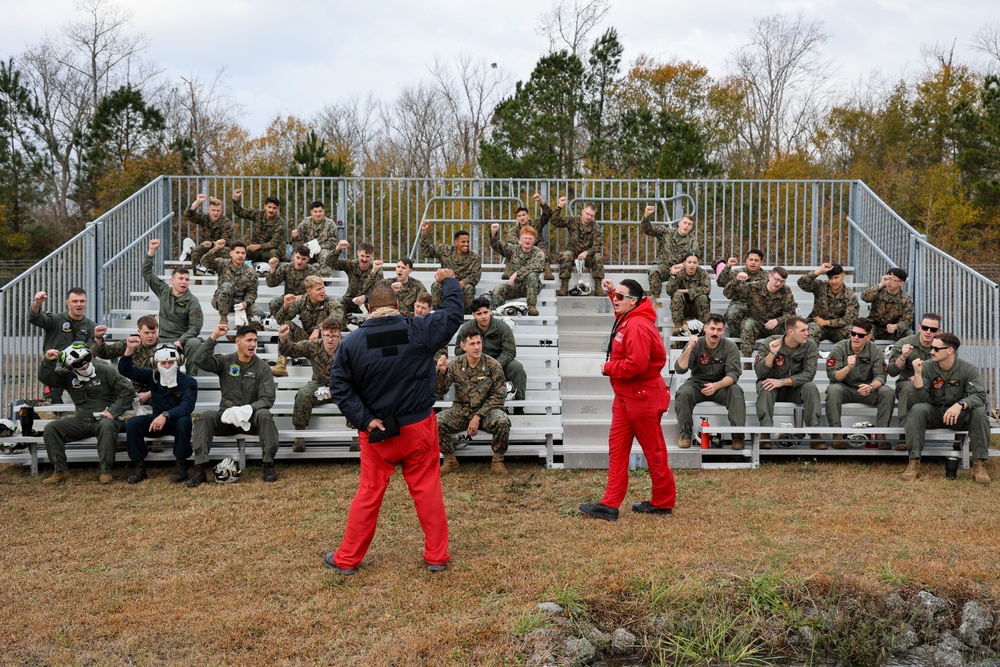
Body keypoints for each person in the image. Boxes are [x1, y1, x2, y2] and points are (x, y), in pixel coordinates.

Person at [325, 270, 465, 575]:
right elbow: (455, 312)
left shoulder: (352, 343)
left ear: (369, 309)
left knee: (369, 492)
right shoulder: (418, 329)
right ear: (398, 303)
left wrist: (364, 419)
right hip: (418, 428)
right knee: (428, 489)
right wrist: (449, 280)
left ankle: (347, 559)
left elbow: (339, 387)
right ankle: (437, 557)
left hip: (378, 432)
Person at [578, 278, 675, 522]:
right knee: (618, 449)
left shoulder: (638, 326)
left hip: (641, 396)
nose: (614, 300)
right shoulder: (631, 315)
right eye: (614, 296)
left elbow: (637, 365)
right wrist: (614, 290)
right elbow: (621, 300)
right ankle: (609, 504)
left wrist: (609, 367)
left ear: (634, 301)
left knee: (653, 450)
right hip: (627, 396)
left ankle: (663, 501)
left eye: (620, 297)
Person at [185, 324, 279, 486]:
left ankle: (268, 465)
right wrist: (214, 336)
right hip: (226, 418)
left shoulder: (262, 368)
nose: (253, 344)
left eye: (255, 341)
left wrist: (248, 409)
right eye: (249, 340)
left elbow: (267, 399)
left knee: (265, 415)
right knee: (206, 415)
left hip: (251, 421)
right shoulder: (226, 361)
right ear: (237, 341)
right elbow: (199, 359)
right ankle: (199, 469)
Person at [37, 343, 137, 484]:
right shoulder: (67, 375)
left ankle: (106, 472)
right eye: (78, 364)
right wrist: (48, 361)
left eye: (86, 361)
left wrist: (113, 411)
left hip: (106, 417)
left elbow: (128, 390)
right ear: (70, 366)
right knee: (51, 428)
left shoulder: (105, 370)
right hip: (81, 419)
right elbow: (46, 378)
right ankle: (60, 471)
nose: (84, 366)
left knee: (106, 426)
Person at [902, 333, 991, 484]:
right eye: (932, 348)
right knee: (917, 409)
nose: (932, 352)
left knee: (979, 412)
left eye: (936, 349)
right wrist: (917, 374)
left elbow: (980, 395)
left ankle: (979, 464)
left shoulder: (967, 369)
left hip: (959, 414)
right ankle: (914, 462)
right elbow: (918, 399)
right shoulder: (928, 367)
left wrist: (960, 405)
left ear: (950, 350)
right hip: (935, 412)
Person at [119, 341, 198, 484]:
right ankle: (139, 467)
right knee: (133, 423)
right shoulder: (152, 376)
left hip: (175, 420)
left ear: (178, 361)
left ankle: (181, 466)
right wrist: (129, 349)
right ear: (155, 364)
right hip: (157, 421)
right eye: (163, 363)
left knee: (184, 420)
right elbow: (125, 370)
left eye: (170, 363)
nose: (167, 366)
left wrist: (165, 415)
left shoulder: (189, 381)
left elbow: (187, 406)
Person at [436, 328, 512, 476]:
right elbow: (440, 390)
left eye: (479, 343)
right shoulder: (455, 364)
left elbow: (499, 395)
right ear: (463, 346)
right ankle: (450, 461)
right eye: (472, 344)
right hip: (461, 411)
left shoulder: (492, 365)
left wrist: (478, 417)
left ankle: (498, 462)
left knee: (502, 421)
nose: (477, 347)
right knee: (436, 422)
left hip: (486, 413)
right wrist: (441, 372)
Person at [673, 314, 745, 450]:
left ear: (723, 331)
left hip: (721, 385)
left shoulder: (730, 347)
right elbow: (680, 369)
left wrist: (716, 385)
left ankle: (738, 437)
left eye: (719, 329)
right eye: (712, 328)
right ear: (705, 328)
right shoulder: (696, 343)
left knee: (736, 391)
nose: (715, 333)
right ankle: (685, 434)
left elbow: (733, 374)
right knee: (683, 393)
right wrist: (689, 348)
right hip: (697, 383)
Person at [824, 318, 894, 449]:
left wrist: (871, 386)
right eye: (853, 333)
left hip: (867, 389)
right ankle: (837, 434)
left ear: (869, 337)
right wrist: (848, 367)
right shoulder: (840, 347)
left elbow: (881, 375)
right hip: (844, 388)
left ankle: (880, 434)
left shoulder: (875, 350)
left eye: (860, 335)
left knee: (888, 392)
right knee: (833, 390)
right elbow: (833, 377)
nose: (855, 337)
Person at [753, 316, 822, 449]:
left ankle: (815, 433)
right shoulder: (770, 342)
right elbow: (760, 372)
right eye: (803, 330)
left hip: (794, 389)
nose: (807, 333)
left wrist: (782, 381)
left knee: (810, 387)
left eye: (807, 330)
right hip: (773, 389)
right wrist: (772, 353)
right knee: (765, 386)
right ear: (790, 332)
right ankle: (765, 433)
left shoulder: (810, 345)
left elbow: (809, 375)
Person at [277, 318, 342, 453]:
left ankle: (356, 437)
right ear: (322, 334)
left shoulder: (347, 348)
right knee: (302, 394)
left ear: (339, 336)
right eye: (327, 335)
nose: (330, 339)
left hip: (341, 386)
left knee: (355, 396)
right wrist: (283, 339)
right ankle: (299, 437)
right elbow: (291, 350)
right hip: (318, 384)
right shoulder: (314, 346)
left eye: (334, 336)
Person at [142, 239, 204, 373]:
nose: (184, 282)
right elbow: (147, 274)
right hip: (163, 339)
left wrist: (180, 341)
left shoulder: (192, 301)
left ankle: (189, 379)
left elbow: (195, 328)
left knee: (195, 343)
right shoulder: (164, 291)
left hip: (183, 340)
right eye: (180, 279)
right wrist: (152, 251)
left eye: (187, 279)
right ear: (172, 280)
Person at [455, 297, 526, 414]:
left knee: (517, 368)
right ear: (473, 314)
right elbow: (458, 350)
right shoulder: (467, 328)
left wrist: (495, 365)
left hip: (500, 362)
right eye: (479, 314)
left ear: (490, 311)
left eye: (485, 312)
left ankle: (519, 406)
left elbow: (510, 351)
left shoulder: (502, 327)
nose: (483, 317)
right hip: (475, 364)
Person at [29, 287, 97, 403]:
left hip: (80, 366)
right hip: (57, 364)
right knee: (52, 396)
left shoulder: (91, 326)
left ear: (86, 302)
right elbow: (36, 318)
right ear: (68, 302)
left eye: (82, 301)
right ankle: (57, 412)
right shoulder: (55, 319)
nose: (79, 304)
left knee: (101, 368)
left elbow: (92, 350)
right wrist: (37, 303)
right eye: (75, 301)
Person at [887, 313, 942, 451]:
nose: (928, 332)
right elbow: (892, 371)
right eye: (925, 328)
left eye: (933, 329)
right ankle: (905, 435)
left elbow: (949, 369)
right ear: (919, 327)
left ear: (939, 331)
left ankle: (959, 435)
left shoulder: (944, 346)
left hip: (934, 384)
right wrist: (903, 356)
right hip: (907, 384)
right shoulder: (904, 343)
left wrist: (920, 376)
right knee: (908, 387)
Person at [724, 266, 798, 357]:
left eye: (782, 281)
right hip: (756, 324)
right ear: (770, 276)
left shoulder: (786, 291)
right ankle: (747, 361)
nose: (778, 283)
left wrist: (777, 321)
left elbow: (790, 313)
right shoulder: (754, 287)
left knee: (790, 328)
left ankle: (782, 359)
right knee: (748, 323)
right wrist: (736, 280)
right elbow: (728, 294)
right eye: (776, 279)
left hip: (774, 327)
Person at [92, 315, 161, 399]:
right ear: (139, 332)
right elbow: (105, 353)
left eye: (153, 332)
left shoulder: (165, 348)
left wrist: (150, 394)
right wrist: (98, 337)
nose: (150, 336)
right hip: (133, 390)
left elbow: (170, 377)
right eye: (146, 333)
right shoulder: (131, 343)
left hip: (157, 390)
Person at [420, 221, 482, 313]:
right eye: (463, 242)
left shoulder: (474, 257)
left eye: (468, 242)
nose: (466, 244)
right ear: (456, 242)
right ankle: (437, 314)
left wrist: (462, 283)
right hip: (446, 284)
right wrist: (424, 233)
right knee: (436, 285)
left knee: (469, 288)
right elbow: (425, 252)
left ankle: (466, 317)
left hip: (463, 285)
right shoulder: (445, 251)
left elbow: (476, 275)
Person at [550, 197, 606, 296]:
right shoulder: (573, 220)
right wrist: (559, 207)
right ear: (583, 212)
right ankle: (564, 287)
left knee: (598, 257)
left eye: (591, 215)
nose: (589, 217)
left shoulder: (596, 227)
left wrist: (587, 252)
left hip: (587, 256)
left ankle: (598, 288)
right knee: (566, 255)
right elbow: (555, 221)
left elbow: (597, 246)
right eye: (587, 214)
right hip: (572, 253)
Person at [202, 239, 265, 327]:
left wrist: (246, 303)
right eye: (237, 252)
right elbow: (204, 262)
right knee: (227, 286)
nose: (240, 255)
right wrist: (215, 248)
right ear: (231, 253)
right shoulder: (222, 263)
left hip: (240, 303)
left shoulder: (251, 272)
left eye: (243, 253)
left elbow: (252, 292)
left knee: (259, 313)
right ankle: (223, 319)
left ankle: (240, 330)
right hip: (221, 301)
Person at [640, 205, 697, 299]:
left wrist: (682, 265)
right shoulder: (666, 232)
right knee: (654, 271)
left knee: (690, 277)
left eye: (689, 224)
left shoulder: (692, 241)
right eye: (685, 223)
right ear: (679, 223)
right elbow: (648, 229)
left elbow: (694, 259)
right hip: (664, 267)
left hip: (680, 271)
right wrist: (646, 216)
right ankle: (656, 302)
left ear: (691, 227)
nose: (686, 226)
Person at [488, 223, 545, 317]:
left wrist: (517, 273)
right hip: (515, 285)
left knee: (532, 275)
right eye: (525, 238)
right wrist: (494, 233)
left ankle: (531, 307)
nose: (527, 240)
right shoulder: (513, 249)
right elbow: (497, 246)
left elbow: (536, 266)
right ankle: (499, 313)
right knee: (499, 289)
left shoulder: (538, 253)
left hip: (531, 287)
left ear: (534, 240)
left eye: (530, 238)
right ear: (520, 239)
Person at [798, 263, 859, 344]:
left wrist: (827, 322)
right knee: (811, 330)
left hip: (838, 329)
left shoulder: (850, 295)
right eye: (830, 278)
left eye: (836, 277)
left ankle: (850, 356)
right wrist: (819, 271)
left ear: (843, 276)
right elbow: (802, 283)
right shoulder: (821, 286)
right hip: (819, 326)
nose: (833, 281)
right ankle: (810, 355)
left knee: (852, 332)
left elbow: (849, 319)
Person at [326, 241, 385, 318]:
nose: (364, 259)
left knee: (381, 307)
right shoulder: (351, 265)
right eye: (362, 256)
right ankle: (342, 326)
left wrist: (366, 296)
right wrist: (338, 248)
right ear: (358, 253)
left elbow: (379, 289)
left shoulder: (377, 269)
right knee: (339, 304)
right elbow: (329, 262)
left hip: (369, 302)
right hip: (351, 299)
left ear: (372, 256)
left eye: (367, 257)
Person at [505, 193, 557, 280]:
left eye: (524, 215)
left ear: (528, 216)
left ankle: (547, 271)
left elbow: (548, 214)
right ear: (517, 218)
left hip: (536, 250)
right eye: (519, 216)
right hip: (522, 250)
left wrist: (541, 201)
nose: (522, 218)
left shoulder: (536, 224)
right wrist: (520, 243)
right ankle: (508, 270)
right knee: (510, 246)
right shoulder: (515, 228)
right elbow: (510, 237)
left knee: (542, 245)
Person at [266, 244, 322, 322]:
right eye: (298, 258)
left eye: (303, 259)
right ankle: (278, 324)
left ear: (308, 259)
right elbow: (271, 284)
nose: (299, 261)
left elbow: (317, 290)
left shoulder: (313, 272)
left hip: (305, 300)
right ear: (294, 256)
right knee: (274, 303)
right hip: (289, 298)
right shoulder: (286, 268)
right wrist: (272, 268)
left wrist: (302, 297)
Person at [717, 249, 766, 334]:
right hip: (739, 302)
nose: (753, 262)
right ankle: (738, 337)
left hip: (758, 304)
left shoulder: (767, 276)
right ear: (746, 260)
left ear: (761, 262)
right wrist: (728, 266)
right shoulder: (737, 272)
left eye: (756, 260)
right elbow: (721, 282)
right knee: (731, 315)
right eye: (751, 260)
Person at [232, 189, 286, 262]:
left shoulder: (280, 223)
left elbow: (275, 243)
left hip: (268, 251)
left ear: (277, 209)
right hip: (254, 251)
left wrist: (259, 246)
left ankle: (272, 272)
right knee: (241, 253)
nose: (271, 210)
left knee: (274, 254)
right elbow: (240, 212)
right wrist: (237, 199)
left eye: (274, 208)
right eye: (269, 207)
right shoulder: (258, 214)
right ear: (265, 206)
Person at [183, 194, 234, 271]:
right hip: (206, 248)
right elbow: (188, 215)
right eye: (213, 210)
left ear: (222, 211)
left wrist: (213, 244)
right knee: (196, 251)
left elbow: (225, 240)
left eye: (218, 211)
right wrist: (197, 202)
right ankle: (198, 279)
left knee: (227, 253)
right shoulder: (204, 218)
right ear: (208, 210)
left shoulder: (226, 222)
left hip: (221, 249)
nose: (215, 213)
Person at [861, 268, 914, 341]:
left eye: (893, 280)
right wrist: (881, 284)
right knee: (866, 332)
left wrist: (896, 326)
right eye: (888, 279)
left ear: (901, 283)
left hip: (892, 330)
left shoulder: (906, 299)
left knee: (910, 334)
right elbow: (864, 297)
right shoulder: (879, 291)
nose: (889, 282)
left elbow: (907, 320)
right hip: (875, 327)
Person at [664, 252, 711, 330]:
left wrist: (687, 291)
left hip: (697, 307)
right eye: (689, 262)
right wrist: (673, 275)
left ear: (698, 264)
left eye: (694, 262)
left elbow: (706, 289)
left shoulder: (702, 273)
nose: (692, 265)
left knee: (703, 297)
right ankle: (677, 327)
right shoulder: (679, 273)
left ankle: (703, 328)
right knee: (677, 295)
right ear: (684, 263)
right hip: (682, 308)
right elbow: (670, 291)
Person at [290, 201, 342, 270]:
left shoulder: (330, 224)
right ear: (311, 212)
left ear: (324, 211)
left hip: (322, 251)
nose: (318, 214)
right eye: (315, 212)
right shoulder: (306, 222)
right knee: (296, 259)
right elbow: (299, 237)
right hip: (307, 251)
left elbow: (333, 243)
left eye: (320, 211)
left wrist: (318, 247)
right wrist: (295, 235)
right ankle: (298, 279)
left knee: (325, 258)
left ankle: (325, 279)